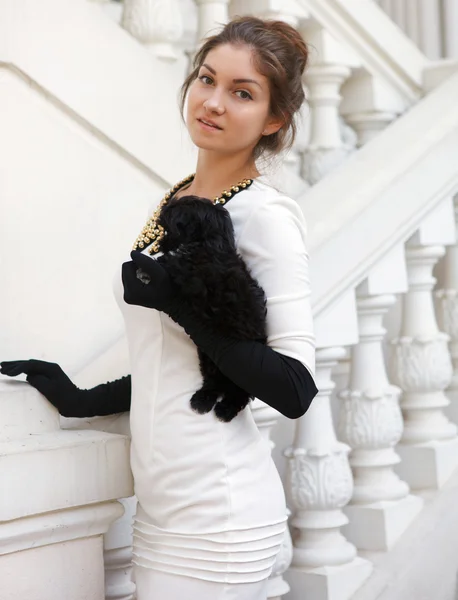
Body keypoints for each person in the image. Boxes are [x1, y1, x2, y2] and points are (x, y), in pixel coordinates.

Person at [0, 15, 318, 600]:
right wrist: (78, 399)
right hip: (162, 505)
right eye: (206, 79)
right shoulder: (176, 200)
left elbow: (294, 389)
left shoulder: (264, 218)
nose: (213, 101)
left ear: (273, 119)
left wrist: (181, 305)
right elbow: (173, 361)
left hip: (219, 511)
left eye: (241, 93)